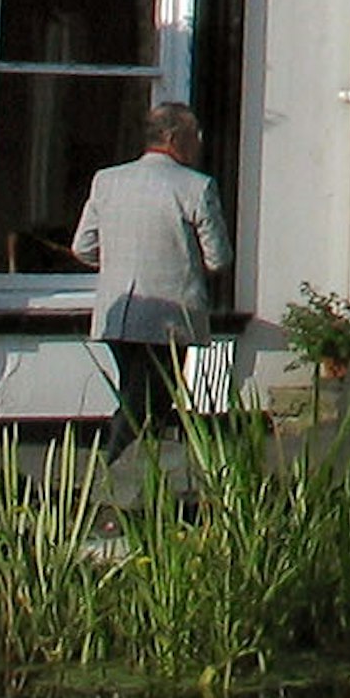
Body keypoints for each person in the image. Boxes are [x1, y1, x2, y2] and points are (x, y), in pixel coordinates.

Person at [71, 103, 231, 458]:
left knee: (139, 395)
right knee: (147, 404)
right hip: (170, 317)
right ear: (174, 138)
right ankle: (112, 476)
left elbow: (83, 247)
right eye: (195, 136)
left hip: (119, 311)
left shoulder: (107, 181)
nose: (200, 143)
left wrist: (118, 263)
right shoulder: (196, 187)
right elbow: (218, 258)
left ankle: (141, 482)